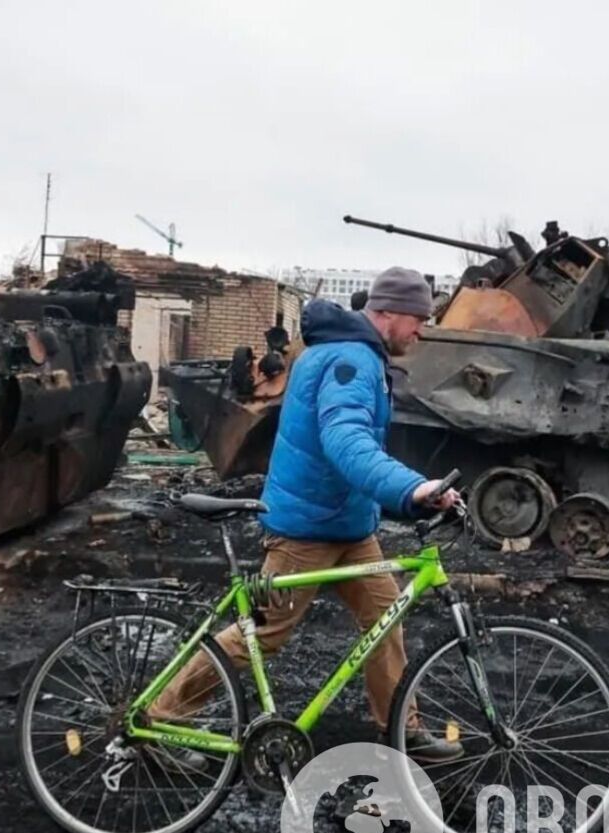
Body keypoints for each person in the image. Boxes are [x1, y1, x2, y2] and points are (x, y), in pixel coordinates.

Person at [151, 267, 464, 765]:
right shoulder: (351, 360)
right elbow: (346, 442)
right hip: (306, 530)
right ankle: (161, 721)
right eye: (417, 318)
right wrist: (412, 488)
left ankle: (402, 729)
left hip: (347, 525)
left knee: (386, 620)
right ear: (387, 313)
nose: (422, 330)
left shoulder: (352, 353)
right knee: (263, 636)